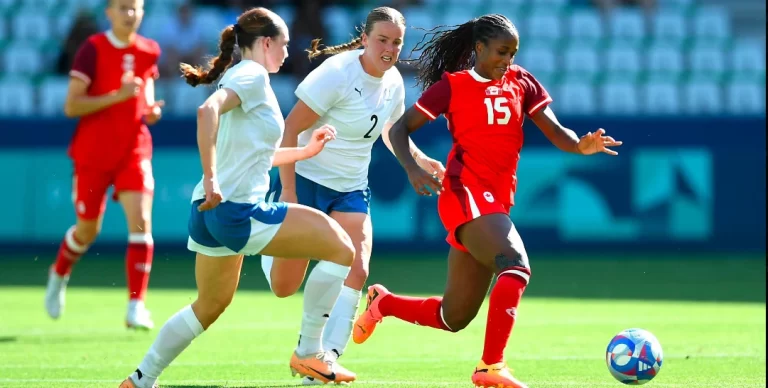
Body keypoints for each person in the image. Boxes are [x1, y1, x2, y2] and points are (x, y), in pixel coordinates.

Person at [352, 14, 623, 388]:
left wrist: (579, 145)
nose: (506, 60)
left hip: (496, 200)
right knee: (515, 266)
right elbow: (398, 129)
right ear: (479, 48)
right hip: (466, 193)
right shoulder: (453, 86)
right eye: (500, 51)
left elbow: (556, 131)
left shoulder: (521, 81)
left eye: (512, 53)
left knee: (454, 317)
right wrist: (412, 168)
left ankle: (383, 303)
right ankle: (491, 367)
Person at [119, 7, 359, 388]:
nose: (286, 53)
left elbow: (254, 155)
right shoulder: (251, 74)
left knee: (208, 306)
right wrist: (212, 176)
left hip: (207, 211)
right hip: (235, 210)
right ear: (265, 43)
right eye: (283, 45)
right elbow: (206, 110)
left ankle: (141, 378)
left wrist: (304, 153)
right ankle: (309, 353)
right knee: (343, 248)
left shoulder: (241, 75)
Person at [259, 7, 444, 385]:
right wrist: (290, 192)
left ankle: (322, 358)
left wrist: (421, 159)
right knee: (283, 287)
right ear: (364, 39)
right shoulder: (337, 73)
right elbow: (289, 130)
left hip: (350, 187)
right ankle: (261, 241)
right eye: (382, 39)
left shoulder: (392, 80)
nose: (389, 48)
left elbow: (391, 130)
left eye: (396, 42)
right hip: (307, 180)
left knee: (357, 265)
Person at [46, 0, 163, 330]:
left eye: (136, 8)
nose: (131, 14)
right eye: (123, 7)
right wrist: (118, 96)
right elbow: (71, 105)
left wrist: (151, 109)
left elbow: (145, 95)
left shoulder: (150, 50)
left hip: (133, 150)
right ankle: (59, 273)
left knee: (141, 221)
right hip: (93, 153)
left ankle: (136, 305)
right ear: (109, 12)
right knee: (87, 230)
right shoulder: (92, 48)